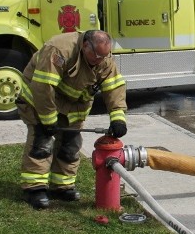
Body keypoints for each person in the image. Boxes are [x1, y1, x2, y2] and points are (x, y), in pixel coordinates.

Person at [16, 30, 128, 209]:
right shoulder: (59, 50)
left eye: (104, 56)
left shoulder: (103, 58)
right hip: (39, 100)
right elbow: (43, 87)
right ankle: (34, 188)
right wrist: (48, 120)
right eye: (97, 55)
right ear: (85, 46)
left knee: (71, 145)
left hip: (72, 106)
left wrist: (118, 118)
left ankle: (62, 186)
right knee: (41, 142)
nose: (100, 60)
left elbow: (113, 86)